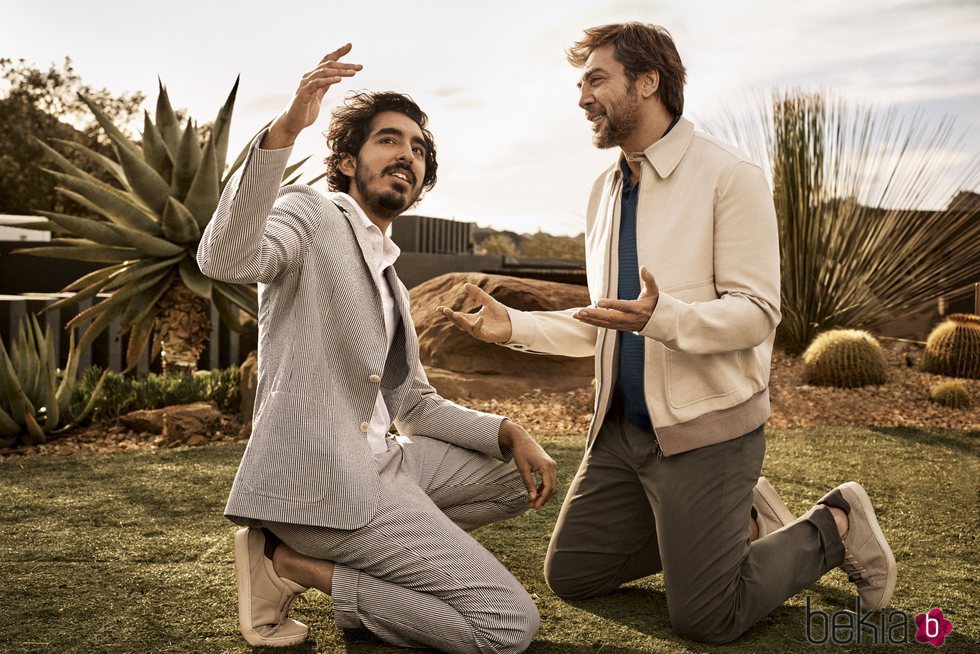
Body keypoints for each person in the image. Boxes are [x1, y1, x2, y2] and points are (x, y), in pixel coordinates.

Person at [440, 23, 896, 644]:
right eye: (581, 84)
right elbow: (605, 325)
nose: (582, 97)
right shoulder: (606, 189)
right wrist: (511, 326)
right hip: (620, 434)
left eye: (596, 79)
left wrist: (666, 319)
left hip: (703, 432)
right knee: (573, 574)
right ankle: (733, 529)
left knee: (707, 616)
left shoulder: (728, 174)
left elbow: (758, 313)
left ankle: (835, 525)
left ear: (648, 81)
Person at [197, 44, 557, 654]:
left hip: (384, 465)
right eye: (390, 140)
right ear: (344, 160)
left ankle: (372, 588)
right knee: (506, 628)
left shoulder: (387, 270)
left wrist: (508, 431)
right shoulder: (310, 213)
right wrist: (286, 130)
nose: (407, 155)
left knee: (514, 478)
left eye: (418, 149)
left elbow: (414, 403)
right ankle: (294, 566)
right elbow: (224, 258)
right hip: (322, 484)